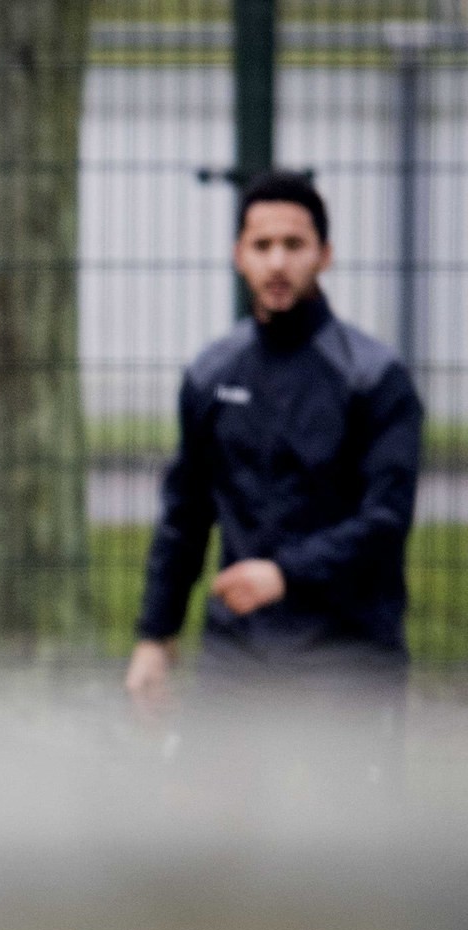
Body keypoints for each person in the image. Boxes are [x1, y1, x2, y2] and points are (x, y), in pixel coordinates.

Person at [126, 172, 422, 784]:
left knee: (345, 855)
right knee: (206, 842)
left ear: (325, 255)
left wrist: (286, 573)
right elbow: (185, 515)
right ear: (239, 256)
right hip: (239, 653)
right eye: (262, 246)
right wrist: (155, 635)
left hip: (349, 649)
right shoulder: (212, 374)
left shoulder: (373, 377)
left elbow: (386, 520)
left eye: (295, 244)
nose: (278, 261)